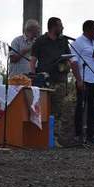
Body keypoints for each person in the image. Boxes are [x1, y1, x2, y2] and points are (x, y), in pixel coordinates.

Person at [30, 17, 71, 147]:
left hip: (60, 81)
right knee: (42, 110)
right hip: (44, 81)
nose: (62, 28)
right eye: (60, 26)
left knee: (58, 110)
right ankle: (40, 138)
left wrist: (66, 66)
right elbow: (32, 60)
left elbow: (69, 58)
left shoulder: (63, 41)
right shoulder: (40, 41)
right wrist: (33, 76)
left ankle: (54, 139)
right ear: (53, 27)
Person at [70, 20, 94, 145]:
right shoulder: (77, 42)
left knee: (93, 108)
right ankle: (78, 135)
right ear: (87, 30)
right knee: (81, 107)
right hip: (84, 79)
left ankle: (90, 135)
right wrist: (78, 79)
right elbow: (73, 62)